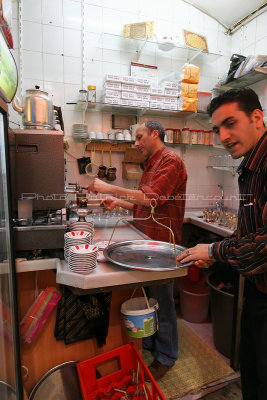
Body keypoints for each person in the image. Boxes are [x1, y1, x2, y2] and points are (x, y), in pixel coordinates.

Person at [177, 88, 267, 400]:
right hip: (258, 292)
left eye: (231, 123)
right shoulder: (250, 167)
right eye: (218, 129)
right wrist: (216, 256)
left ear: (257, 117)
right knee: (252, 377)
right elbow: (249, 233)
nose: (224, 136)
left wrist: (214, 250)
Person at [87, 121, 187, 380]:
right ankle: (153, 344)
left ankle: (167, 356)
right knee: (150, 299)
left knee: (162, 301)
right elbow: (145, 206)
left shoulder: (171, 162)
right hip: (146, 239)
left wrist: (107, 187)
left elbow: (150, 199)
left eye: (140, 137)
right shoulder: (151, 165)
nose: (136, 144)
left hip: (163, 244)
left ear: (156, 134)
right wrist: (118, 201)